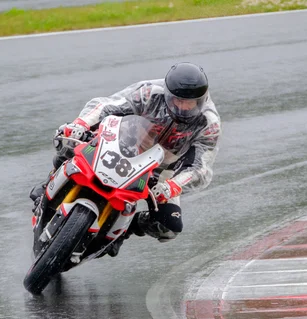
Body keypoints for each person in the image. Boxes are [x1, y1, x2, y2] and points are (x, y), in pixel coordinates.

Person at [30, 62, 222, 257]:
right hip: (122, 142)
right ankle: (49, 182)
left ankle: (125, 232)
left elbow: (201, 167)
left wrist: (174, 185)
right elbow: (108, 105)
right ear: (167, 94)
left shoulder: (209, 123)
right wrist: (80, 124)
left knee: (169, 227)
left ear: (201, 99)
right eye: (177, 101)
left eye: (190, 103)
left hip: (161, 170)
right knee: (71, 140)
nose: (183, 108)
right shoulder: (149, 93)